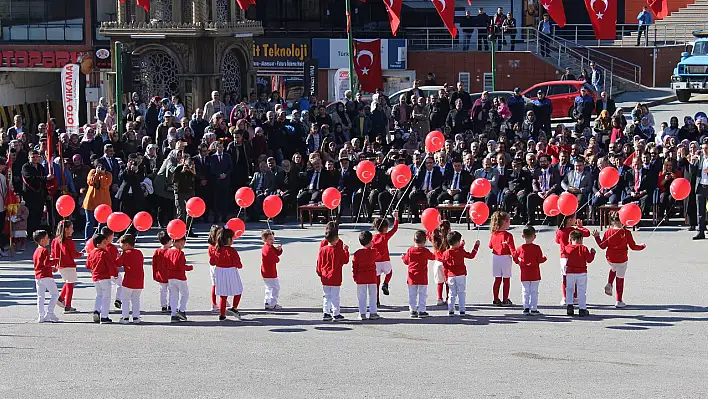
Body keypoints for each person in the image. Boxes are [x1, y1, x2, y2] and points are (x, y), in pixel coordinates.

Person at [593, 212, 646, 308]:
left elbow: (602, 246)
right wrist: (642, 247)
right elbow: (633, 247)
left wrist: (597, 237)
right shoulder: (626, 233)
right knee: (620, 279)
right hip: (622, 259)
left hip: (610, 258)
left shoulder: (608, 232)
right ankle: (619, 300)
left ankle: (609, 283)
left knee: (613, 267)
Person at [441, 231, 480, 316]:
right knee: (461, 293)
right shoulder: (460, 251)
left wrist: (445, 277)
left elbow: (444, 266)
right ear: (458, 242)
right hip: (461, 275)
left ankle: (450, 309)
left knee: (451, 293)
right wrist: (476, 246)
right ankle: (462, 309)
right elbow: (471, 255)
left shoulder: (446, 253)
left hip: (451, 275)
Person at [316, 225, 350, 321]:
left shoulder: (323, 249)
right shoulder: (338, 250)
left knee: (326, 295)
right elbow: (345, 260)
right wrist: (346, 250)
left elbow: (319, 262)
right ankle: (336, 313)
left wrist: (319, 272)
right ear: (336, 239)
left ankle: (326, 312)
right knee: (335, 296)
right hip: (335, 276)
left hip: (325, 276)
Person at [209, 228, 243, 321]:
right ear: (229, 239)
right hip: (231, 271)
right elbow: (238, 264)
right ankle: (234, 307)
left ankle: (222, 315)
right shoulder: (232, 250)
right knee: (238, 289)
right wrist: (239, 265)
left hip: (219, 272)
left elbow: (212, 262)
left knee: (223, 295)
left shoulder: (216, 249)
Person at [555, 214, 590, 305]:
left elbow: (557, 241)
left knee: (565, 278)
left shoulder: (559, 231)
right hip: (573, 257)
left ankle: (565, 297)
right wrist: (581, 227)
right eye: (574, 218)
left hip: (563, 257)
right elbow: (587, 233)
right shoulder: (574, 230)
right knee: (575, 277)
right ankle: (575, 297)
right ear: (570, 220)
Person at [512, 226, 547, 316]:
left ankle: (526, 308)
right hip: (535, 273)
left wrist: (518, 262)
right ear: (534, 236)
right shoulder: (537, 248)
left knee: (525, 291)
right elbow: (540, 259)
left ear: (523, 236)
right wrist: (544, 259)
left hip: (524, 273)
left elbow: (515, 256)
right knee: (534, 291)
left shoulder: (520, 248)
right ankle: (534, 308)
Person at [402, 230, 436, 318]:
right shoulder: (425, 251)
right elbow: (433, 257)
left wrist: (403, 257)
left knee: (412, 295)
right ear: (425, 241)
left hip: (412, 276)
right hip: (422, 276)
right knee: (422, 294)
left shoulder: (410, 250)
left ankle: (413, 310)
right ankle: (422, 310)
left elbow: (406, 261)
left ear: (414, 240)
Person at [86, 233, 118, 324]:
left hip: (95, 278)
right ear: (98, 244)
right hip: (104, 277)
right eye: (104, 243)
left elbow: (88, 265)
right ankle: (104, 316)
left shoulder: (91, 253)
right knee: (106, 297)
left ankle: (96, 310)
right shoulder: (104, 253)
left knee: (99, 295)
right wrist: (115, 274)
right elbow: (110, 265)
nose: (106, 244)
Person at [562, 230, 596, 316]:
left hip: (570, 272)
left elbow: (564, 253)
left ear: (571, 239)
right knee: (581, 291)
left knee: (569, 289)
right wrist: (592, 253)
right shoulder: (583, 248)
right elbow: (589, 260)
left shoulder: (567, 248)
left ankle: (569, 306)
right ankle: (582, 308)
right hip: (581, 272)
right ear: (581, 238)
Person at [52, 220, 82, 314]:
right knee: (70, 285)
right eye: (71, 227)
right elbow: (73, 254)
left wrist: (55, 264)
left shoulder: (55, 240)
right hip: (68, 264)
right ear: (66, 229)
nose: (73, 230)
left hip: (60, 265)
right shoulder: (69, 241)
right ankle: (67, 306)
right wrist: (80, 255)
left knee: (67, 282)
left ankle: (61, 299)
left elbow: (53, 253)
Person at [488, 211, 516, 307]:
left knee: (497, 279)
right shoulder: (508, 235)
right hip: (505, 258)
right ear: (505, 222)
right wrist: (516, 259)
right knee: (506, 279)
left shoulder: (494, 234)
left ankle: (496, 299)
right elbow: (512, 249)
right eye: (509, 221)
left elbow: (490, 246)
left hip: (496, 258)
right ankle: (505, 299)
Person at [115, 234, 144, 324]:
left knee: (126, 299)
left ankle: (125, 317)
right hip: (139, 280)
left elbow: (118, 263)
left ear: (126, 245)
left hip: (129, 280)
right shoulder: (139, 252)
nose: (120, 246)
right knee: (136, 299)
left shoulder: (125, 254)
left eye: (121, 244)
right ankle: (136, 317)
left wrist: (118, 255)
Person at [352, 231, 380, 321]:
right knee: (373, 296)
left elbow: (354, 266)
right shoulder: (374, 252)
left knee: (361, 296)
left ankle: (362, 313)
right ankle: (373, 312)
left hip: (360, 277)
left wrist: (354, 276)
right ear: (370, 241)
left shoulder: (357, 253)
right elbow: (379, 256)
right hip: (372, 277)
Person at [165, 235, 194, 323]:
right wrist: (189, 267)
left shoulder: (168, 251)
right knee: (185, 294)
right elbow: (181, 266)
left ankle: (173, 314)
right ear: (181, 242)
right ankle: (181, 310)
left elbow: (165, 264)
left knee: (174, 296)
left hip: (170, 276)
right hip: (180, 277)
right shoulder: (180, 253)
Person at [371, 214, 399, 304]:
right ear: (384, 228)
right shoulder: (385, 236)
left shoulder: (373, 238)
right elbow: (395, 229)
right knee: (389, 273)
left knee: (376, 281)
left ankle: (376, 299)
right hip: (385, 260)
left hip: (376, 262)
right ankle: (386, 283)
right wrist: (396, 218)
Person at [33, 230, 59, 323]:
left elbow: (40, 264)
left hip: (38, 276)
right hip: (46, 276)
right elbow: (46, 263)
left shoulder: (36, 251)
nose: (49, 239)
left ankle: (41, 315)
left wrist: (51, 268)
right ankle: (50, 313)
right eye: (47, 238)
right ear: (42, 240)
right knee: (55, 294)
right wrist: (55, 261)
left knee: (40, 296)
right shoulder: (44, 250)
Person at [82, 163, 112, 241]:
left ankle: (100, 240)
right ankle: (88, 240)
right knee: (89, 222)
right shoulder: (92, 172)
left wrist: (102, 174)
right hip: (91, 201)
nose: (100, 168)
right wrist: (96, 174)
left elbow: (104, 185)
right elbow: (90, 182)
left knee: (102, 223)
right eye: (98, 167)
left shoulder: (108, 175)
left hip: (103, 203)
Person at [261, 229, 283, 310]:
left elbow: (276, 253)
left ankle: (267, 302)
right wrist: (277, 258)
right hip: (269, 271)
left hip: (267, 271)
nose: (272, 240)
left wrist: (279, 250)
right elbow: (273, 258)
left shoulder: (269, 247)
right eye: (270, 239)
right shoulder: (267, 248)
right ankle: (272, 303)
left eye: (273, 239)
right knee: (275, 287)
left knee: (269, 287)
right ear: (265, 239)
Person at [691, 142, 708, 239]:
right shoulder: (700, 158)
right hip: (701, 186)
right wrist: (692, 163)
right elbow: (693, 172)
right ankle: (700, 231)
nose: (704, 150)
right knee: (700, 212)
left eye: (706, 148)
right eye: (703, 148)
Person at [152, 230, 171, 313]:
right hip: (170, 274)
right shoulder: (171, 251)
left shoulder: (157, 251)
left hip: (161, 274)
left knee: (162, 291)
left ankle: (163, 306)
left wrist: (155, 274)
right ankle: (171, 305)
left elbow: (154, 264)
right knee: (172, 291)